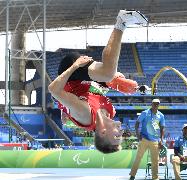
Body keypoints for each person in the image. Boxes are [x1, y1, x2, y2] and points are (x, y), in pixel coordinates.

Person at [48, 10, 148, 154]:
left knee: (108, 73)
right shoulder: (111, 111)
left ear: (102, 133)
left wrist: (75, 65)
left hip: (70, 74)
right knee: (114, 76)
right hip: (86, 82)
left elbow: (54, 90)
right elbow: (91, 92)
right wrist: (116, 83)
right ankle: (112, 77)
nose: (121, 133)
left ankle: (122, 21)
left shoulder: (85, 115)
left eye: (116, 136)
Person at [128, 98, 165, 180]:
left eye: (157, 104)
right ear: (151, 104)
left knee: (155, 161)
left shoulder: (161, 116)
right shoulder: (145, 113)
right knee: (138, 158)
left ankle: (155, 179)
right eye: (154, 103)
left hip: (155, 141)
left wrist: (161, 140)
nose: (156, 105)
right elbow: (137, 123)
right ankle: (132, 176)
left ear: (159, 105)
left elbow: (162, 128)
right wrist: (137, 134)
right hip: (144, 139)